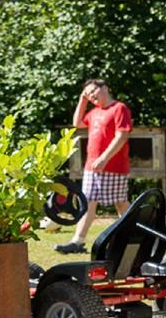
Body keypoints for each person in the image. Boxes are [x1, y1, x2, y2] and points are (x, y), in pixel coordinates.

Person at [54, 79, 133, 254]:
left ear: (104, 88)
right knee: (87, 202)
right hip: (92, 167)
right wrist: (82, 101)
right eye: (88, 94)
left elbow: (122, 135)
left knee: (120, 203)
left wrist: (105, 157)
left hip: (113, 167)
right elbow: (77, 123)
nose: (91, 96)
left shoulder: (119, 108)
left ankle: (132, 236)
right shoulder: (95, 112)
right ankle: (77, 241)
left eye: (92, 92)